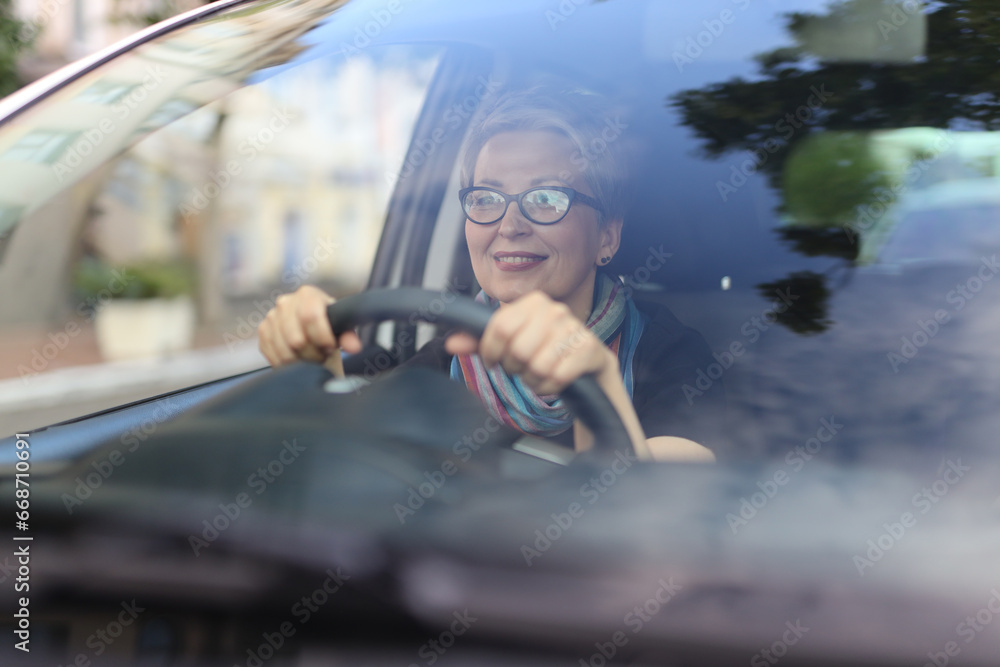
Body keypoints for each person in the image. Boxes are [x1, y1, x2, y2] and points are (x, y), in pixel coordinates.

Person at [258, 87, 722, 462]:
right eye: (485, 198)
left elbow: (663, 518)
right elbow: (359, 476)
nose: (509, 225)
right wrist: (313, 365)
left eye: (546, 198)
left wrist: (594, 386)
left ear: (607, 237)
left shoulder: (672, 356)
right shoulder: (447, 360)